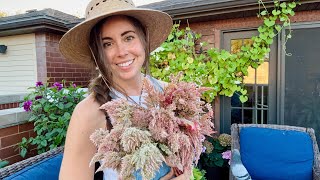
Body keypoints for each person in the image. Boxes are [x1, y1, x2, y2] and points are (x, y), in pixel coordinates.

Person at [58, 0, 191, 179]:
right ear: (97, 53)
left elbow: (186, 157)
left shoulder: (169, 93)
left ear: (143, 40)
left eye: (128, 37)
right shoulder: (89, 112)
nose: (121, 51)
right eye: (107, 44)